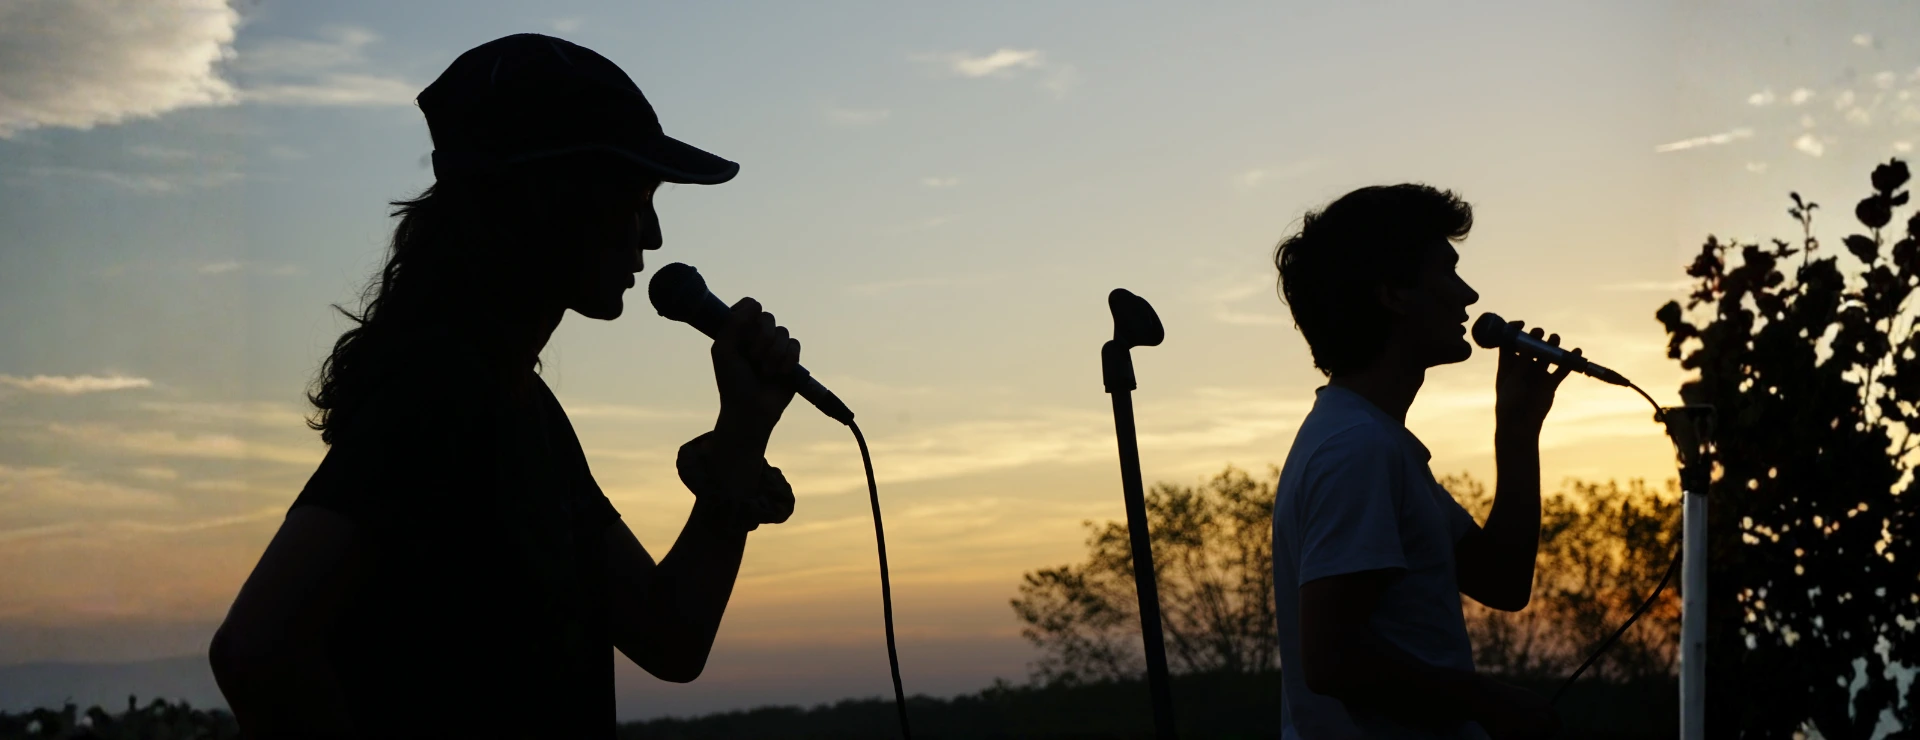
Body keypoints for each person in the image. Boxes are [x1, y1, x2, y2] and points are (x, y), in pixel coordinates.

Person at [208, 34, 799, 739]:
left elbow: (669, 637)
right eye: (635, 195)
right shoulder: (443, 399)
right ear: (547, 199)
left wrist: (741, 437)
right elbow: (255, 651)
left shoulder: (520, 408)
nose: (652, 234)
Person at [1269, 184, 1572, 740]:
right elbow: (1331, 660)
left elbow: (1502, 582)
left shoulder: (1374, 442)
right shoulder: (1356, 449)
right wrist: (1487, 699)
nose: (1468, 295)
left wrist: (1518, 431)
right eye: (1447, 272)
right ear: (1394, 295)